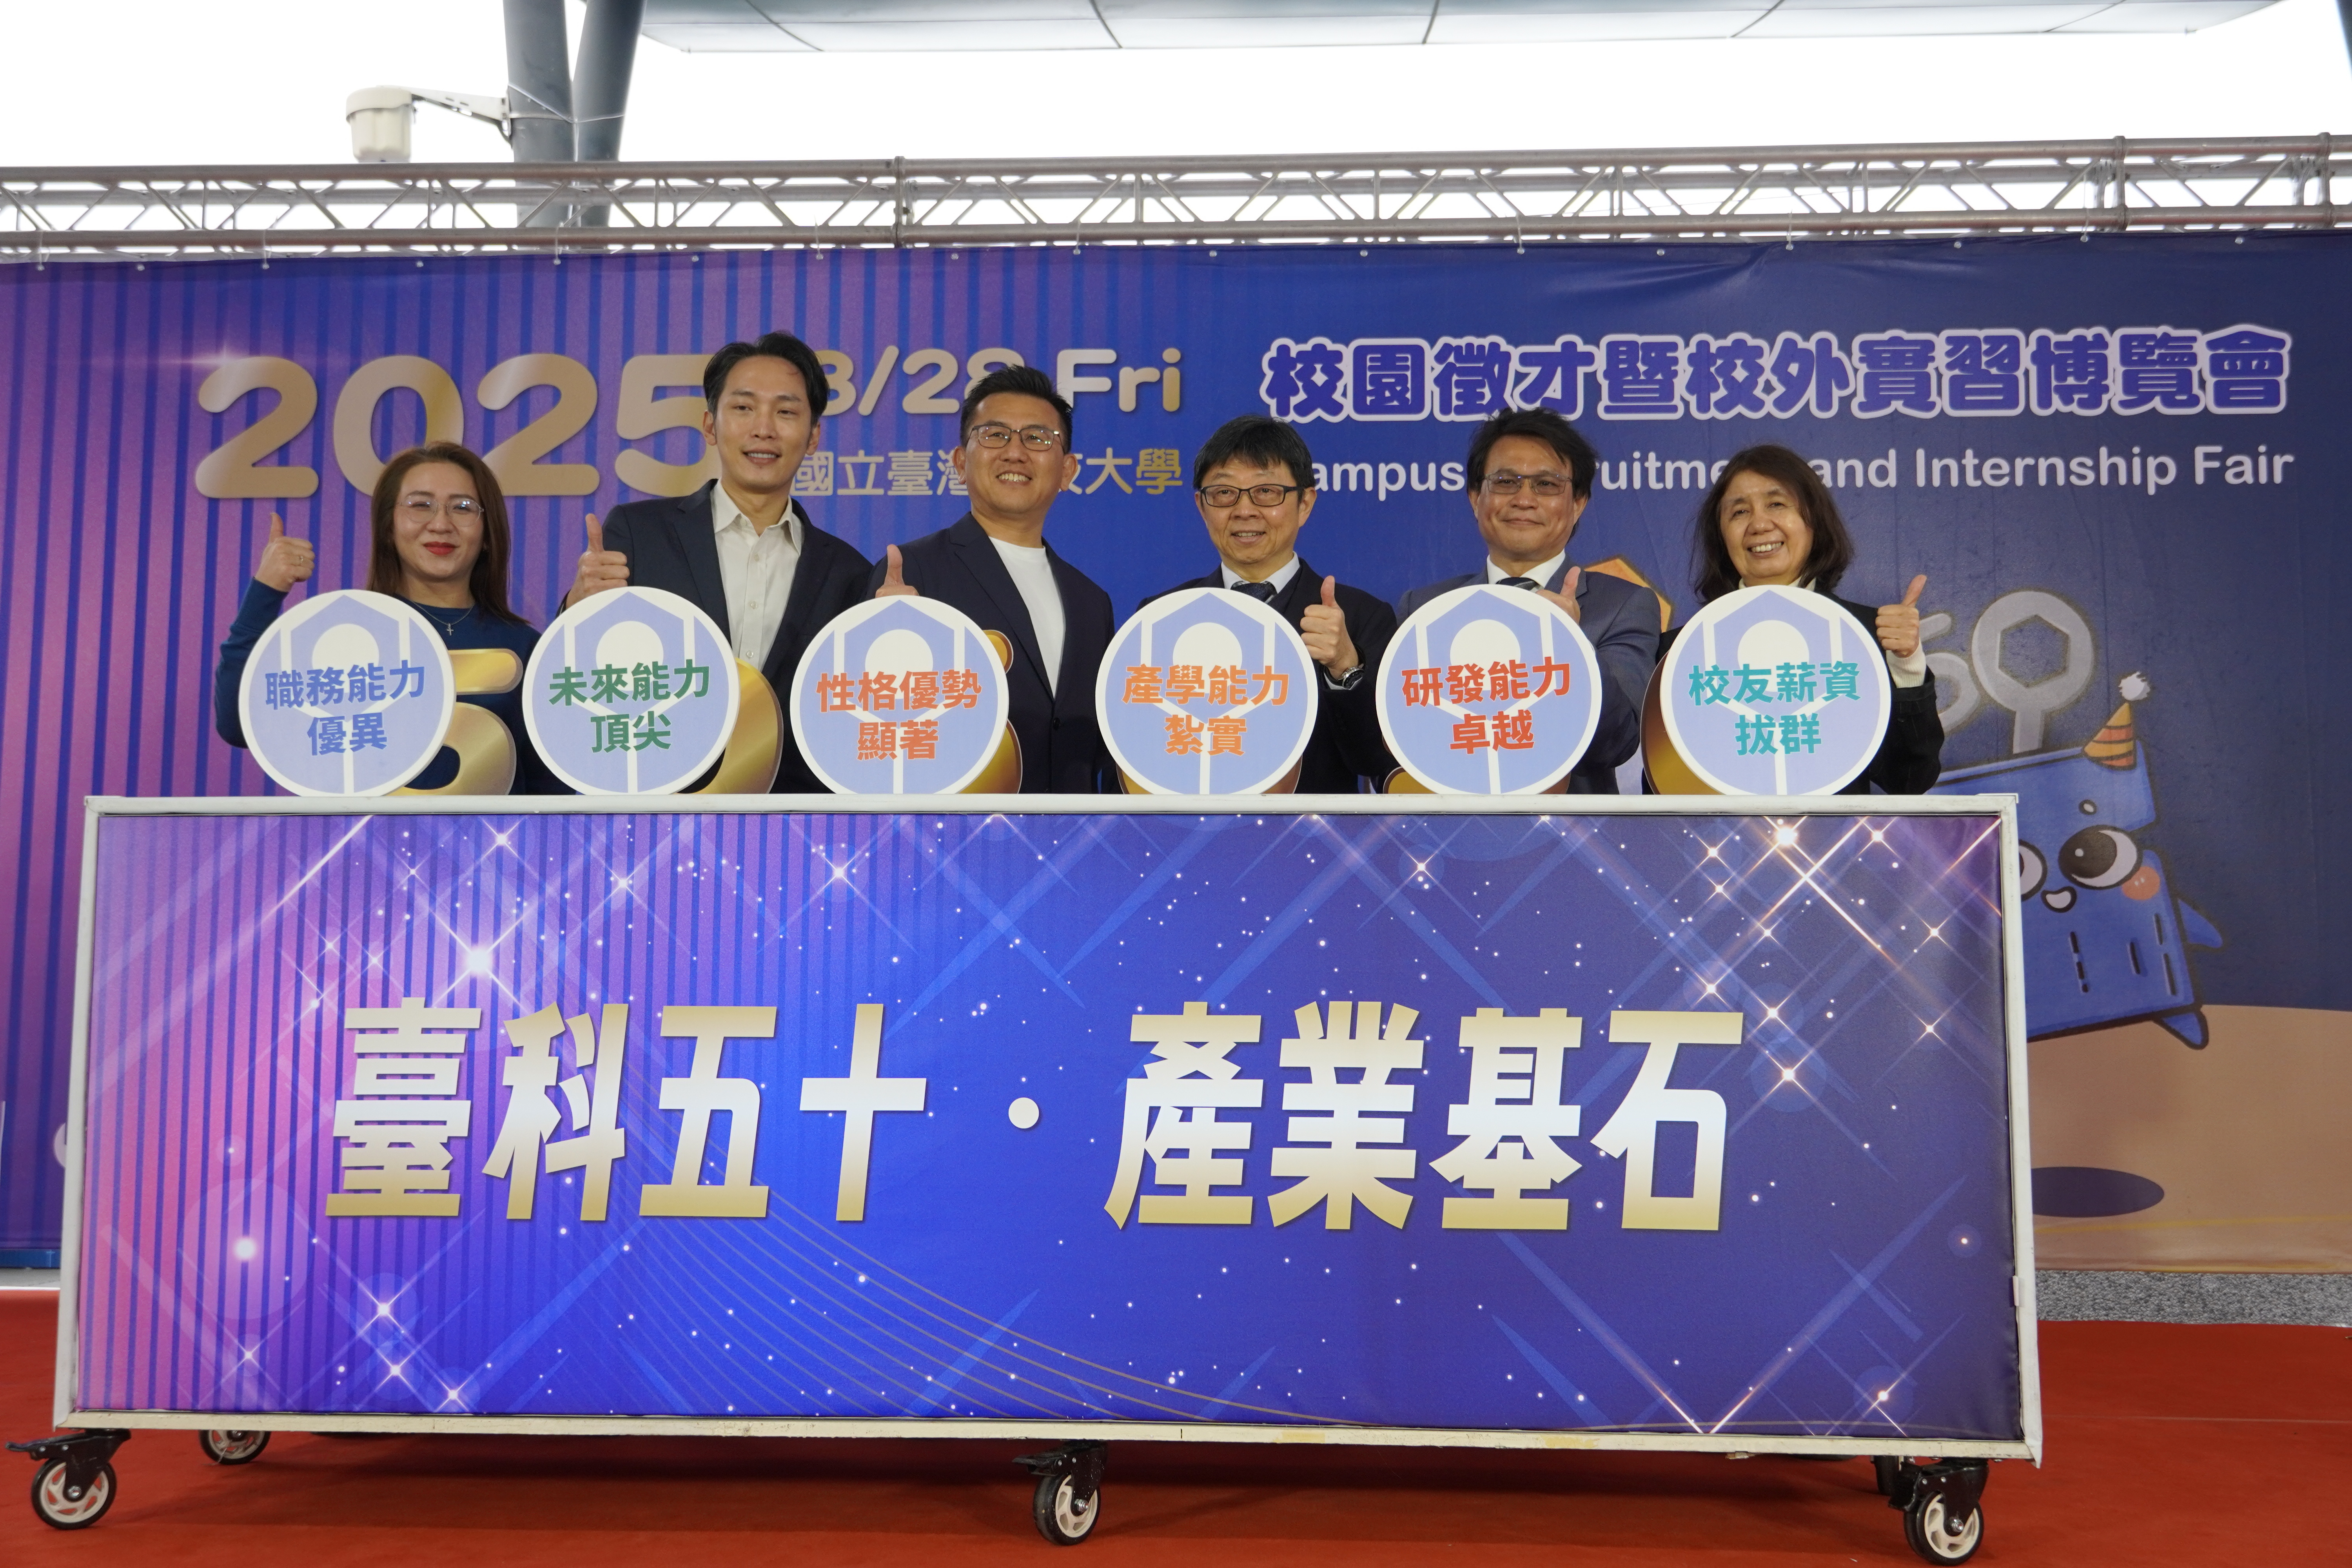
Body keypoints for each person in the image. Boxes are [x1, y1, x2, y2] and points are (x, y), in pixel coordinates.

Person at [564, 331, 872, 794]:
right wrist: (577, 607)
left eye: (786, 412)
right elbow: (579, 676)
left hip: (794, 817)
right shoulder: (638, 534)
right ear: (710, 426)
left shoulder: (848, 572)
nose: (763, 429)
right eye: (743, 408)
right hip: (657, 802)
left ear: (813, 437)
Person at [213, 441, 560, 792]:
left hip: (494, 847)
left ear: (488, 533)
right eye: (421, 505)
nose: (441, 524)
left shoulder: (525, 648)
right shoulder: (342, 636)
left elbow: (551, 792)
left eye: (463, 508)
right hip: (365, 846)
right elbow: (237, 725)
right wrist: (265, 591)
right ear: (388, 528)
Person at [869, 364, 1114, 793]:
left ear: (1068, 471)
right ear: (961, 462)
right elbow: (867, 727)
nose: (1015, 452)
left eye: (1038, 438)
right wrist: (879, 649)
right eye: (995, 434)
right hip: (953, 841)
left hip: (1075, 846)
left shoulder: (1092, 601)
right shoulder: (912, 574)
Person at [1397, 409, 1658, 792]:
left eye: (1547, 485)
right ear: (1475, 497)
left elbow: (1616, 742)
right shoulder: (1424, 609)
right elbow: (1406, 738)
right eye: (1505, 482)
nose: (1523, 499)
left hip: (1575, 840)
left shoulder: (1623, 605)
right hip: (1452, 836)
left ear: (1579, 502)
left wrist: (1571, 649)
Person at [1143, 415, 1396, 792]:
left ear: (1305, 503)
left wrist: (1345, 667)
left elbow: (1376, 761)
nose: (1245, 510)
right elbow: (1136, 752)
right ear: (1201, 505)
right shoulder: (1160, 618)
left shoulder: (1361, 616)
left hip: (1314, 841)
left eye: (1266, 492)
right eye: (1224, 493)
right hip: (1191, 838)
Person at [1680, 442, 1942, 794]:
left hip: (1839, 846)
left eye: (1776, 504)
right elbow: (1664, 792)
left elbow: (1909, 780)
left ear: (1814, 522)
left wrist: (1906, 666)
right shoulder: (1683, 651)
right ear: (1721, 538)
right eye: (1739, 512)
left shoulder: (1868, 636)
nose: (1759, 524)